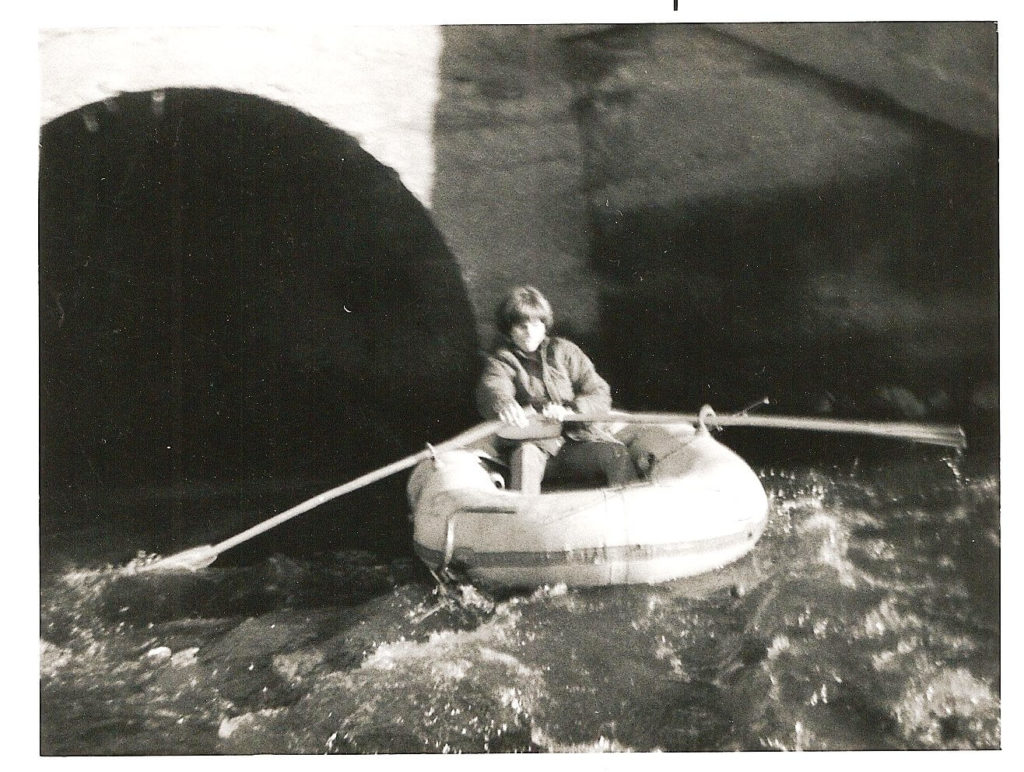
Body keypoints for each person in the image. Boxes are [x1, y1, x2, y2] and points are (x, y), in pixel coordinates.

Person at [475, 285, 637, 494]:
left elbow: (599, 391)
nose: (530, 333)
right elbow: (494, 386)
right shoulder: (502, 361)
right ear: (509, 330)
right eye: (521, 326)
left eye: (536, 324)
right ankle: (523, 521)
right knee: (525, 457)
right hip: (534, 446)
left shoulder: (565, 351)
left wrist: (573, 410)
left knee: (616, 454)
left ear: (545, 325)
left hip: (577, 442)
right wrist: (503, 403)